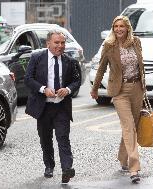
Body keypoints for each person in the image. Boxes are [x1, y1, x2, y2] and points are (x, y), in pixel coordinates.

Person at [90, 15, 146, 184]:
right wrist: (94, 89)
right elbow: (101, 69)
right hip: (119, 91)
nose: (119, 29)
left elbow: (140, 65)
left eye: (122, 26)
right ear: (113, 28)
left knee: (132, 126)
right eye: (116, 26)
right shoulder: (109, 45)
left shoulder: (136, 42)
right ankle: (134, 168)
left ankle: (123, 158)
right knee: (128, 127)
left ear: (127, 28)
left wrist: (144, 86)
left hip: (136, 88)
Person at [24, 30, 81, 184]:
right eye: (57, 42)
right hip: (43, 107)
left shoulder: (70, 61)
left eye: (63, 43)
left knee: (63, 138)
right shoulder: (37, 58)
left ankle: (66, 169)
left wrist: (67, 90)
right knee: (45, 139)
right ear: (48, 43)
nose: (60, 46)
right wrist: (43, 89)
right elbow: (28, 79)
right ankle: (49, 165)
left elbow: (77, 80)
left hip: (61, 106)